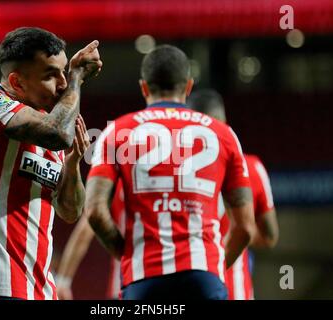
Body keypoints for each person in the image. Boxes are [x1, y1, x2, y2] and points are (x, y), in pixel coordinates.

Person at [85, 45, 254, 300]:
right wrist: (215, 265)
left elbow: (95, 211)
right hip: (204, 275)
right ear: (188, 86)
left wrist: (128, 254)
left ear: (144, 87)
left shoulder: (118, 131)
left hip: (144, 277)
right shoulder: (224, 135)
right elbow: (246, 227)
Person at [0, 27, 102, 300]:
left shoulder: (50, 125)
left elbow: (70, 210)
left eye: (65, 70)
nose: (64, 83)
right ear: (17, 82)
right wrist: (78, 76)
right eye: (50, 75)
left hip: (42, 291)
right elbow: (57, 133)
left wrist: (73, 163)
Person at [187, 89, 279, 300]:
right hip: (235, 292)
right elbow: (269, 236)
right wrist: (233, 226)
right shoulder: (252, 168)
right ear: (225, 122)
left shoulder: (171, 171)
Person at [55, 180, 125, 300]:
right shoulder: (168, 175)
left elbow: (85, 230)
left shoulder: (118, 174)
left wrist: (63, 281)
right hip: (165, 282)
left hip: (124, 286)